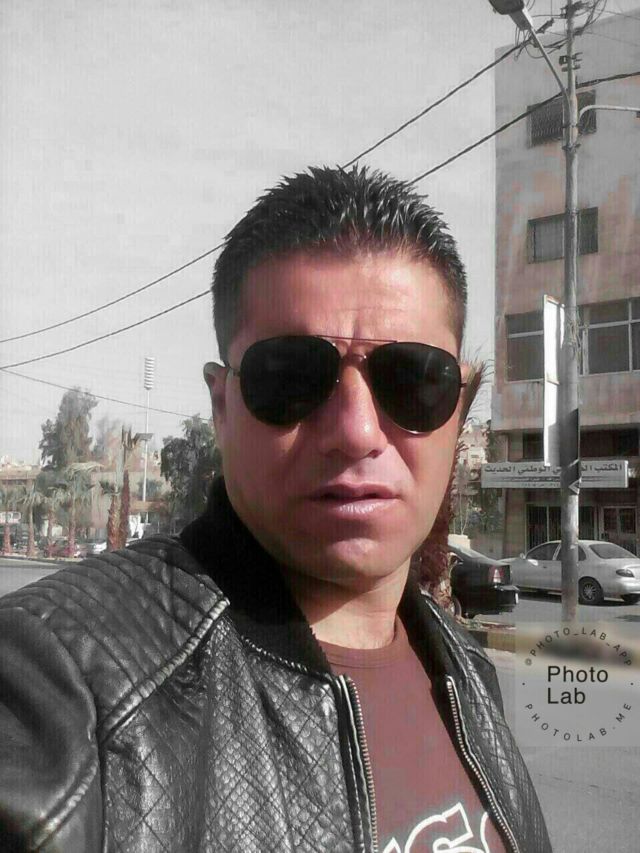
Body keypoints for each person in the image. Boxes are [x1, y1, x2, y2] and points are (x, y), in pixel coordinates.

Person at [0, 166, 551, 853]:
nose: (355, 431)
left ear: (459, 409)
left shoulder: (469, 674)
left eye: (413, 379)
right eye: (291, 377)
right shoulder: (64, 687)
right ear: (221, 405)